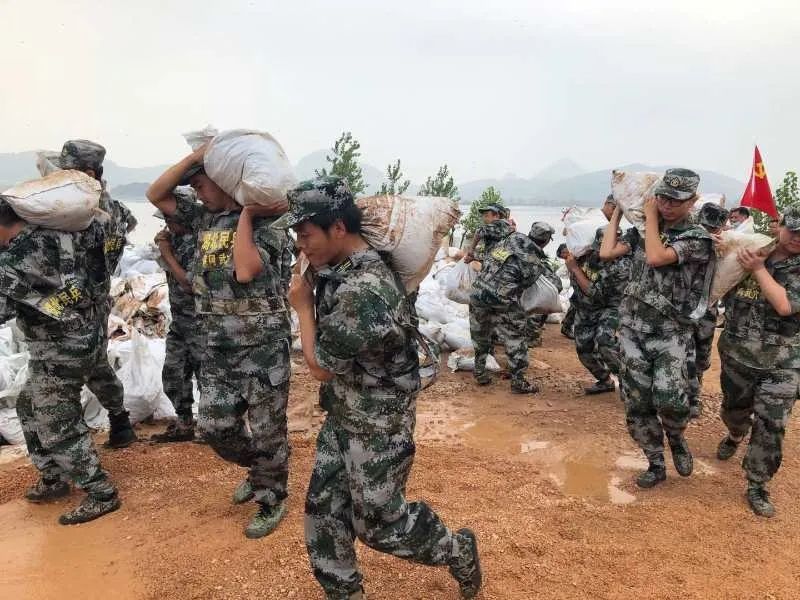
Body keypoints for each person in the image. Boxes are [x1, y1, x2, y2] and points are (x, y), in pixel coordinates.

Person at [279, 176, 481, 600]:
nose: (301, 244)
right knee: (325, 512)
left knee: (379, 523)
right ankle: (343, 591)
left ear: (338, 229)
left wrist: (301, 308)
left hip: (378, 421)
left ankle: (455, 548)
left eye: (306, 234)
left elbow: (320, 368)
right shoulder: (339, 270)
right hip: (344, 413)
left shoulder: (364, 289)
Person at [146, 145, 292, 539]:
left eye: (200, 185)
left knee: (267, 430)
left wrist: (246, 212)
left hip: (262, 348)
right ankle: (260, 469)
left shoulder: (271, 223)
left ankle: (272, 495)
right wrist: (196, 158)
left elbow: (245, 271)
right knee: (215, 427)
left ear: (226, 181)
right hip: (216, 348)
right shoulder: (203, 218)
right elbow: (156, 194)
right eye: (192, 186)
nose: (196, 193)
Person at [0, 198, 121, 524]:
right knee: (27, 404)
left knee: (58, 423)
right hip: (90, 338)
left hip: (58, 351)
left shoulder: (13, 258)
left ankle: (101, 492)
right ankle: (53, 476)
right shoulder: (66, 235)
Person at [601, 168, 713, 489]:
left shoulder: (697, 238)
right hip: (634, 331)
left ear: (692, 201)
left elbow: (656, 257)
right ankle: (655, 461)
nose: (666, 205)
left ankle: (676, 437)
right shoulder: (641, 229)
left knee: (671, 400)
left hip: (671, 333)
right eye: (661, 197)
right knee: (637, 403)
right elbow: (607, 252)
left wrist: (649, 217)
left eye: (675, 201)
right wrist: (619, 215)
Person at [715, 205, 800, 517]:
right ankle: (736, 433)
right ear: (779, 226)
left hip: (783, 360)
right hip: (737, 353)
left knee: (772, 424)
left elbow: (784, 305)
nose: (797, 238)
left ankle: (757, 482)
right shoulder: (749, 249)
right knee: (733, 410)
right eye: (793, 230)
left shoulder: (758, 262)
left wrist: (759, 269)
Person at [56, 140, 138, 449]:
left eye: (69, 172)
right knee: (95, 364)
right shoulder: (114, 208)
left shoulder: (83, 213)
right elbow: (131, 221)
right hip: (97, 301)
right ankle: (120, 422)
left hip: (79, 305)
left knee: (67, 371)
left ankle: (74, 449)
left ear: (88, 172)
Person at [470, 219, 546, 393]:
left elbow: (482, 233)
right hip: (502, 298)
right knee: (515, 337)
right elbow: (525, 284)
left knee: (480, 332)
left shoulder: (509, 238)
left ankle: (480, 372)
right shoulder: (535, 261)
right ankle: (518, 382)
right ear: (546, 241)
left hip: (478, 291)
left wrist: (471, 250)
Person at [150, 204, 202, 443]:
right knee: (173, 373)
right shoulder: (175, 240)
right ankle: (184, 422)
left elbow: (190, 284)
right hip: (180, 321)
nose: (167, 225)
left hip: (201, 323)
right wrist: (164, 250)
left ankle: (212, 425)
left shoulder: (198, 243)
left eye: (171, 220)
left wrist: (167, 252)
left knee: (208, 377)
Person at [564, 227, 631, 395]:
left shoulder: (621, 266)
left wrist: (575, 269)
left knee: (605, 342)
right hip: (585, 307)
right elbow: (565, 250)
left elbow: (593, 292)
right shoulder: (587, 253)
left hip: (609, 307)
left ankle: (628, 382)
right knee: (583, 348)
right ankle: (605, 380)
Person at [686, 203, 730, 418]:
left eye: (714, 230)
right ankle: (689, 398)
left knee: (701, 357)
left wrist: (724, 247)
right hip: (683, 309)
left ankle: (694, 395)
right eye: (706, 227)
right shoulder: (688, 241)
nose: (710, 233)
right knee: (685, 354)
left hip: (707, 311)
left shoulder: (725, 246)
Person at [526, 221, 556, 347]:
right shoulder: (536, 258)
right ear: (546, 240)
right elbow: (555, 285)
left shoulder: (516, 243)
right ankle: (531, 337)